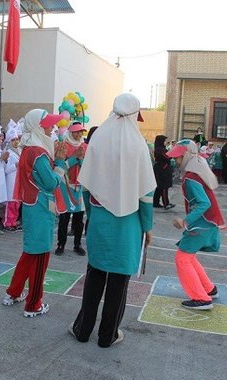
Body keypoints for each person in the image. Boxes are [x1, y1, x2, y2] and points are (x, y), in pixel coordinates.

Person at [69, 93, 155, 347]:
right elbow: (146, 194)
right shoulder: (138, 145)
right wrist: (147, 227)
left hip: (100, 218)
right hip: (128, 223)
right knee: (119, 281)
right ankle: (108, 335)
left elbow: (85, 185)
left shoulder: (98, 140)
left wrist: (92, 215)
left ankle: (82, 329)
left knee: (95, 274)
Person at [3, 109, 65, 317]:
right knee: (40, 257)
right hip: (39, 207)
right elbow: (50, 182)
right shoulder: (38, 152)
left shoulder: (31, 148)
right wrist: (61, 166)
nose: (52, 127)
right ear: (38, 127)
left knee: (30, 253)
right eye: (48, 124)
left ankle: (13, 292)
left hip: (33, 206)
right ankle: (33, 304)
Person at [166, 139, 224, 310]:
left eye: (178, 157)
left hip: (202, 224)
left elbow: (204, 203)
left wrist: (185, 220)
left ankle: (201, 298)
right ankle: (209, 289)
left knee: (182, 258)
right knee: (189, 256)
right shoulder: (196, 170)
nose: (175, 161)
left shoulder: (191, 177)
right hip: (206, 223)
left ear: (186, 156)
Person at [56, 122, 88, 256]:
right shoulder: (63, 145)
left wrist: (81, 160)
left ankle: (77, 244)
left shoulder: (85, 146)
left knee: (79, 219)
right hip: (65, 185)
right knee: (64, 217)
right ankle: (61, 244)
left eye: (81, 132)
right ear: (70, 132)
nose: (79, 134)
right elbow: (60, 167)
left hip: (79, 186)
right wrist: (75, 158)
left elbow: (87, 166)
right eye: (76, 131)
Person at [3, 122, 22, 231]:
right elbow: (6, 169)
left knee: (16, 203)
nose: (15, 142)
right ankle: (7, 223)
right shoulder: (8, 152)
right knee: (10, 203)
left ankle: (13, 221)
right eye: (13, 140)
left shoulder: (19, 151)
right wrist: (16, 165)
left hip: (18, 181)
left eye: (16, 140)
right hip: (11, 180)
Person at [152, 135, 174, 208]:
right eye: (164, 141)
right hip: (162, 169)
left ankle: (156, 202)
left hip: (161, 169)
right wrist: (174, 152)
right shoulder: (160, 150)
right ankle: (166, 203)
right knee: (164, 186)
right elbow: (168, 156)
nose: (165, 142)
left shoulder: (160, 149)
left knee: (159, 187)